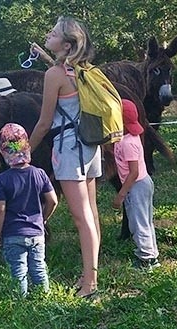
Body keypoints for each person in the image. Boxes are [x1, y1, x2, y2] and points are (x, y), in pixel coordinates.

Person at [30, 16, 103, 298]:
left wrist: (27, 149)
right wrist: (47, 57)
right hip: (90, 144)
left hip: (70, 149)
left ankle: (90, 284)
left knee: (80, 216)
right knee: (91, 213)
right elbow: (65, 82)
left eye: (54, 32)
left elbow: (44, 123)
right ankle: (91, 273)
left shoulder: (54, 76)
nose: (49, 33)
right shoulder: (82, 69)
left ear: (67, 43)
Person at [0, 123, 58, 296]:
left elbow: (0, 209)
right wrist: (43, 218)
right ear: (27, 146)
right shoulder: (39, 173)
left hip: (13, 234)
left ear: (2, 151)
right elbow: (53, 200)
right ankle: (44, 297)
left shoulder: (1, 180)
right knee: (39, 267)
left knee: (18, 271)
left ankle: (20, 303)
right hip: (37, 233)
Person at [113, 99, 160, 269]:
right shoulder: (128, 137)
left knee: (139, 222)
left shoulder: (128, 143)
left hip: (137, 185)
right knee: (144, 220)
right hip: (140, 184)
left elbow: (133, 172)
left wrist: (121, 194)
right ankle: (151, 252)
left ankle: (147, 259)